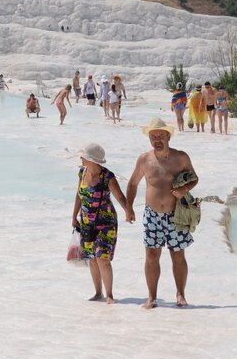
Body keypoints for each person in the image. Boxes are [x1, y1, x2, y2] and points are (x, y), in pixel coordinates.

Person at [126, 118, 199, 309]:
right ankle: (152, 297)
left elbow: (194, 178)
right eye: (153, 136)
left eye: (160, 136)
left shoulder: (181, 157)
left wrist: (184, 190)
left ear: (168, 136)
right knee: (151, 255)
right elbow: (133, 183)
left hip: (176, 214)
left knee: (178, 255)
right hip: (152, 215)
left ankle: (181, 294)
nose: (157, 139)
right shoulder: (144, 159)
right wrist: (129, 207)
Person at [72, 142, 132, 303]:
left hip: (106, 222)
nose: (81, 159)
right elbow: (79, 195)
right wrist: (74, 217)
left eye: (83, 156)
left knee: (102, 258)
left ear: (91, 159)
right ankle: (98, 293)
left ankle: (110, 295)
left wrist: (128, 211)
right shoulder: (82, 173)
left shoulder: (107, 176)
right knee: (92, 258)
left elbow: (119, 196)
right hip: (86, 222)